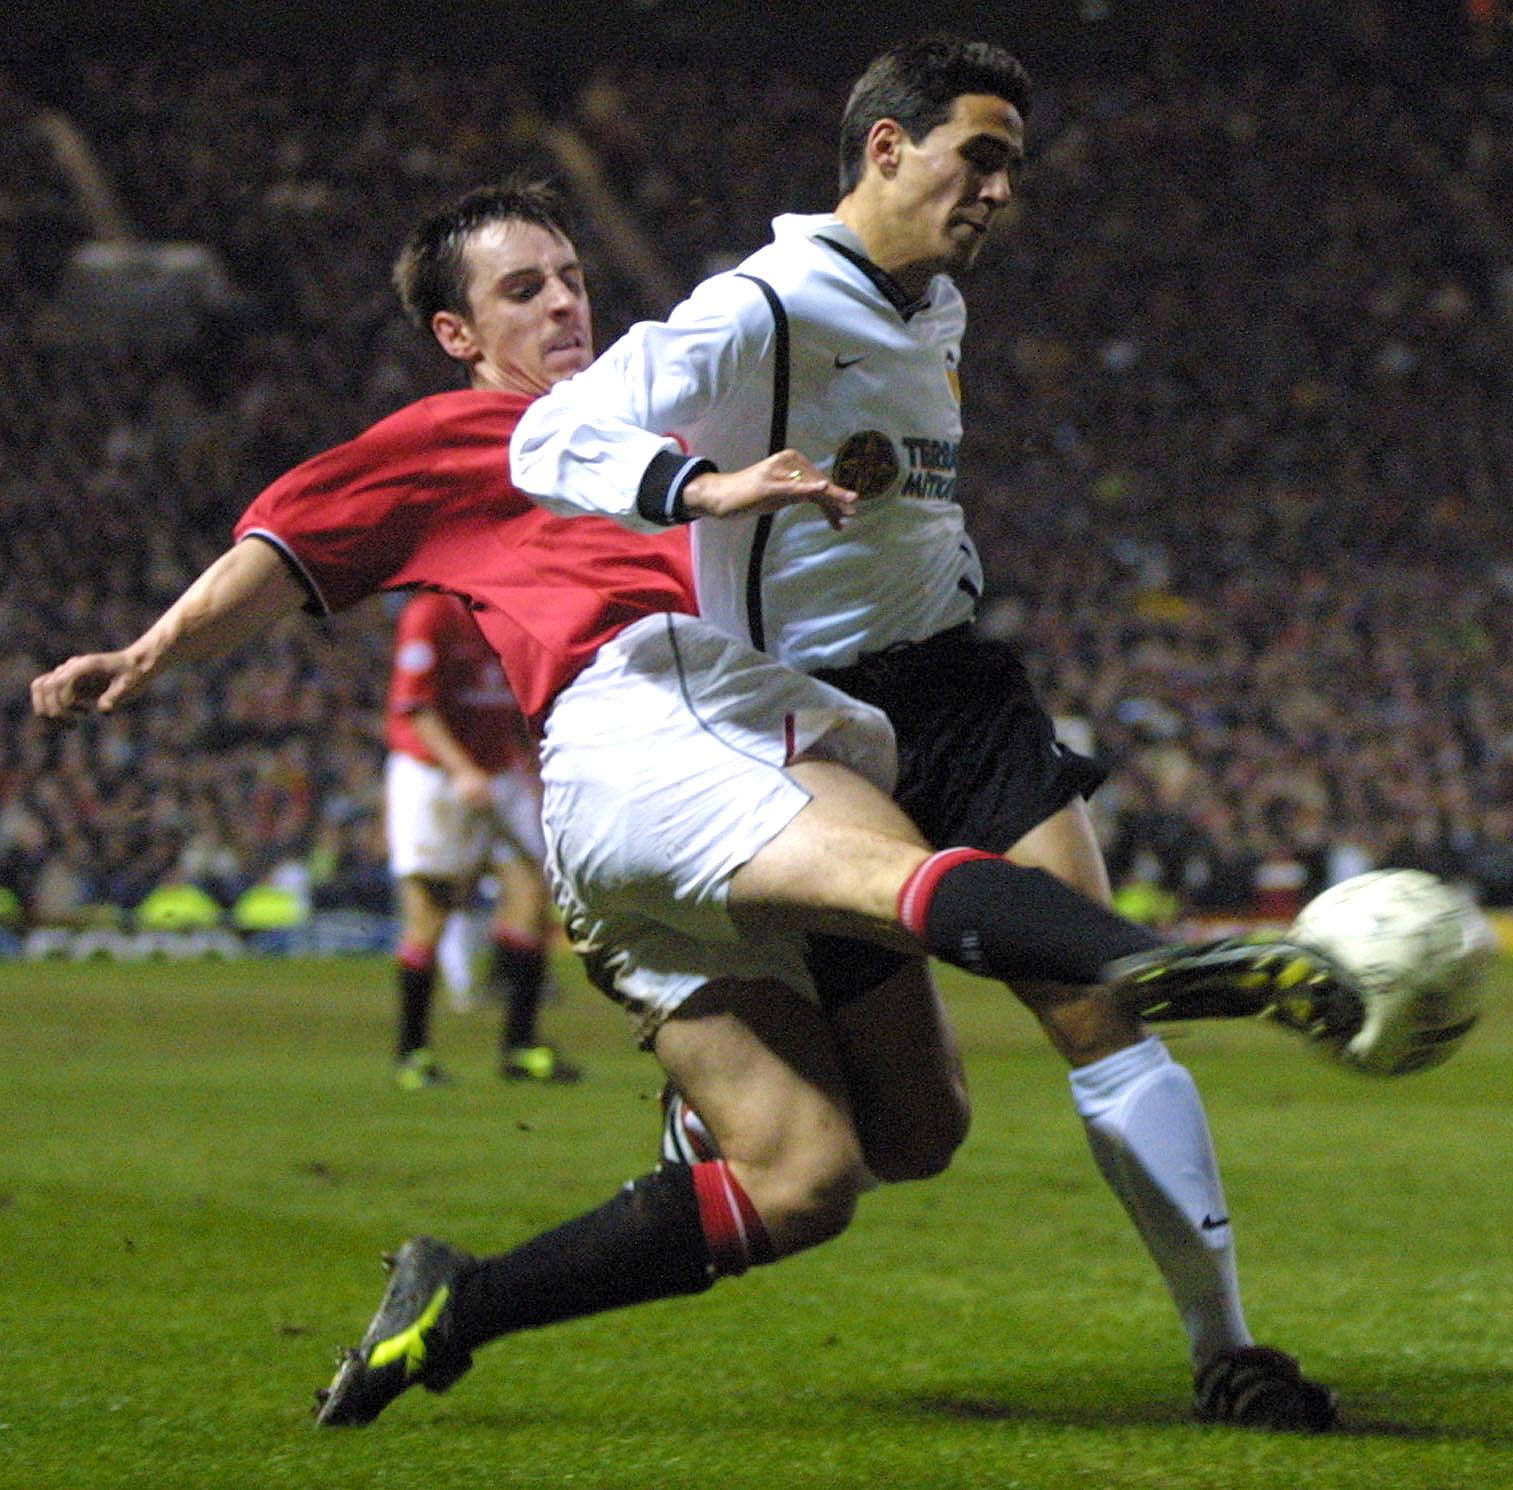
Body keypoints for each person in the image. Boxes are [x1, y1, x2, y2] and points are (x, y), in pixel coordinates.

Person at [30, 183, 1361, 1430]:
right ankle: (1161, 964)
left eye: (569, 278)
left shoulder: (674, 414)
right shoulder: (462, 440)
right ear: (456, 333)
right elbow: (284, 547)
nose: (563, 304)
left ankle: (455, 1302)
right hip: (657, 737)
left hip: (738, 748)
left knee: (854, 1160)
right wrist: (147, 656)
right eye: (521, 292)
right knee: (895, 870)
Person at [511, 36, 1336, 1429]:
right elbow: (552, 436)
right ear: (887, 148)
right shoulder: (761, 305)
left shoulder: (936, 305)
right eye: (982, 156)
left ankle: (1228, 1349)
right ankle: (724, 1117)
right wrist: (697, 488)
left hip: (959, 690)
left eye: (1014, 163)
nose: (1003, 190)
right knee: (909, 1134)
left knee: (1099, 996)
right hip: (814, 732)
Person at [383, 589, 577, 1088]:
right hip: (435, 774)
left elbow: (510, 699)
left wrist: (525, 759)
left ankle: (521, 1045)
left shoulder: (504, 613)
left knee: (532, 895)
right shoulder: (431, 614)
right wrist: (462, 770)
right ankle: (412, 1054)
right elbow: (416, 706)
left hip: (497, 768)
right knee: (431, 910)